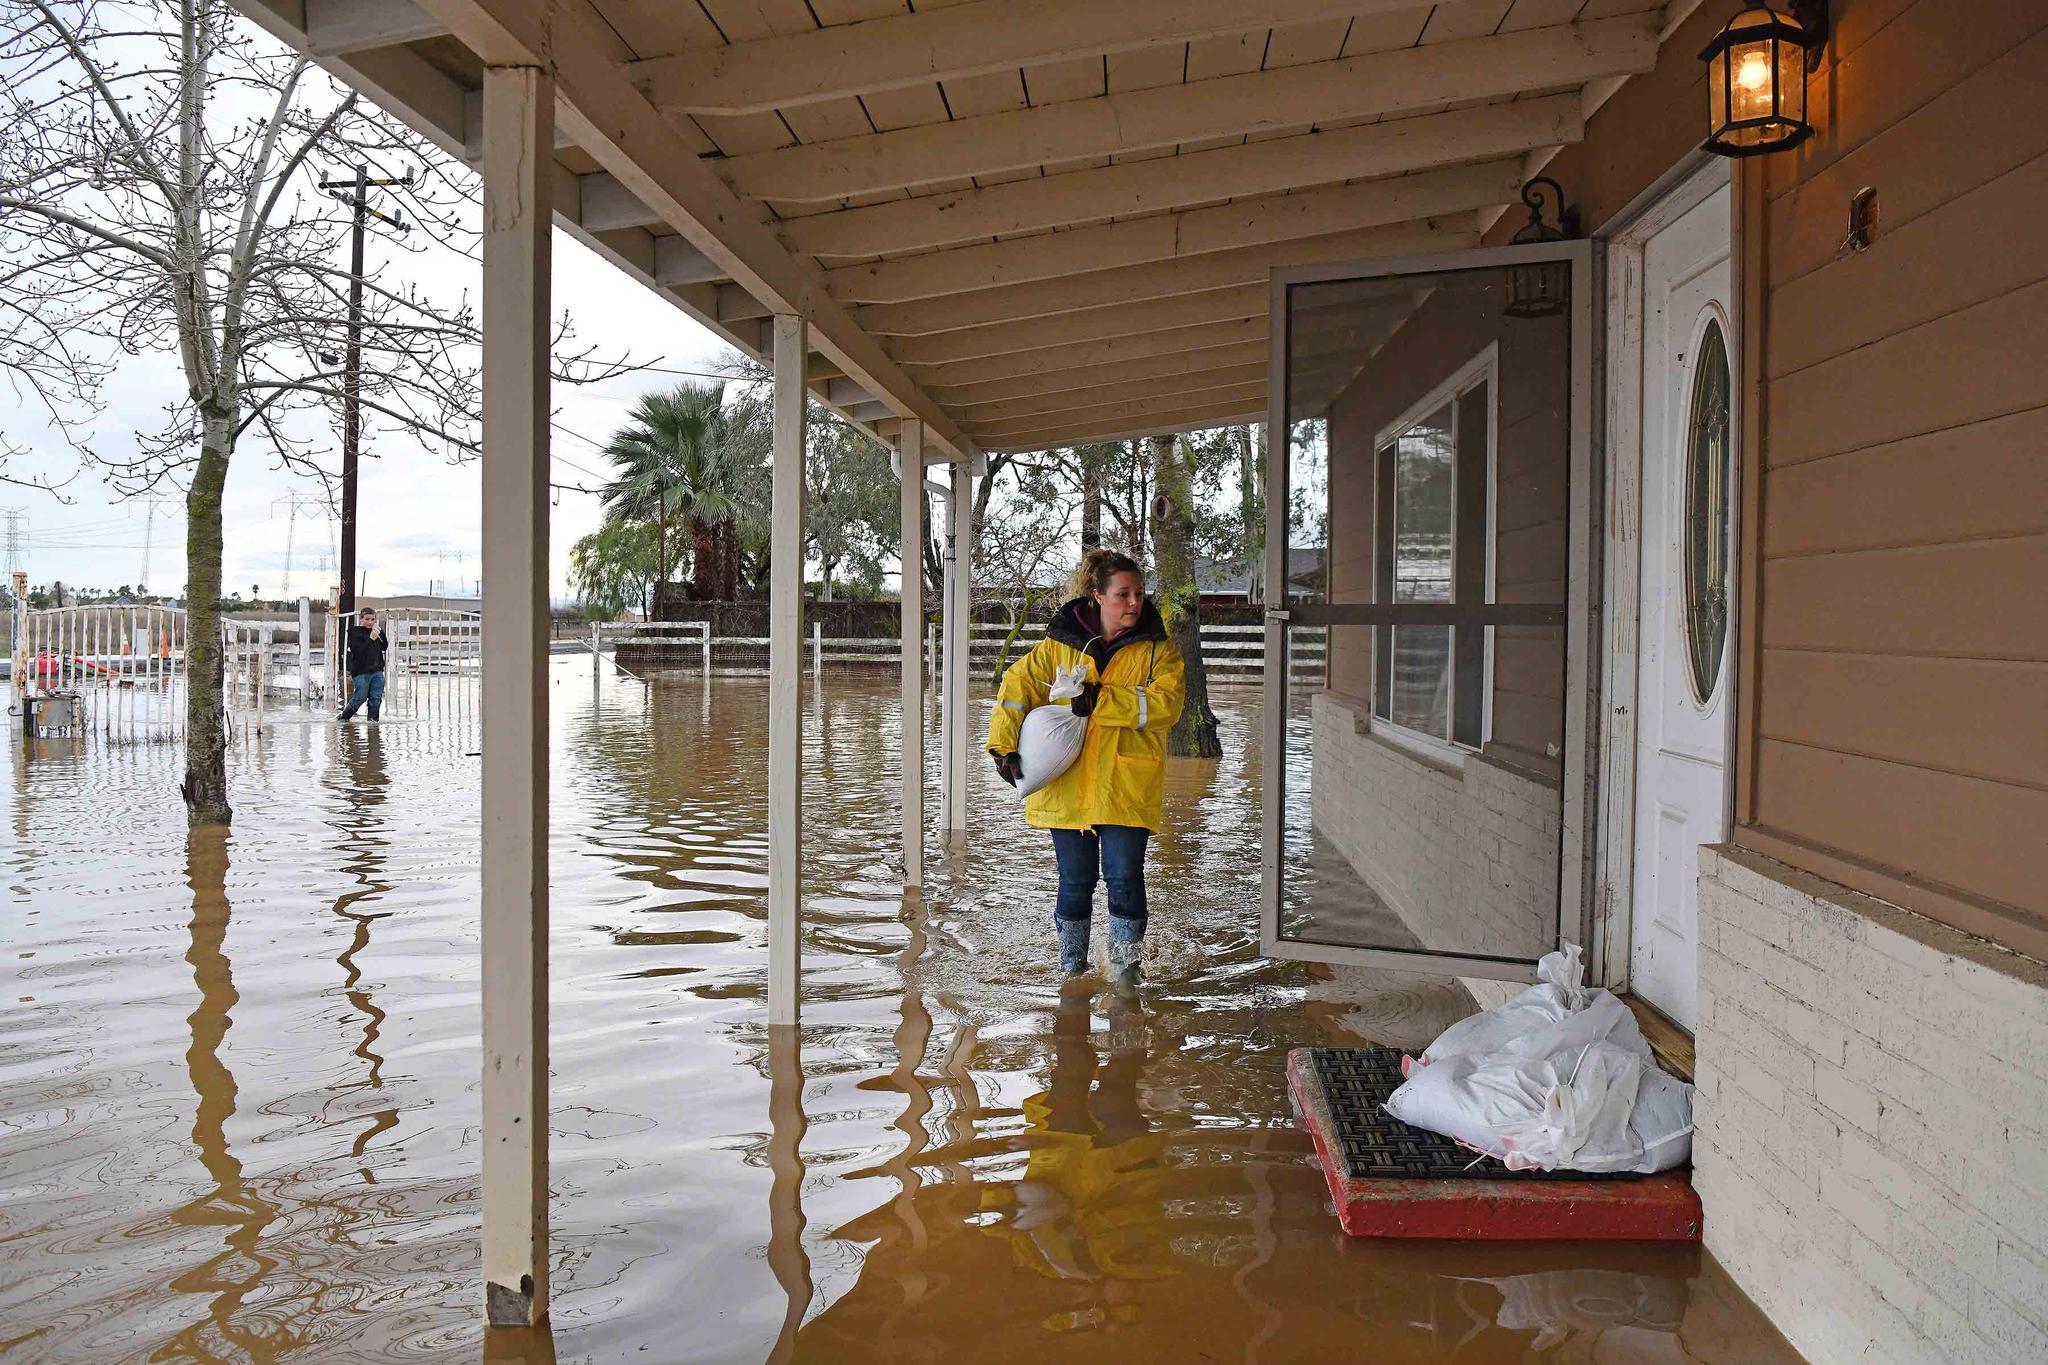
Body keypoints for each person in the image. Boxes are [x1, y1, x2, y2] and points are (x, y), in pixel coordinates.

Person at [987, 549, 1185, 992]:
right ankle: (1072, 973)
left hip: (1125, 785)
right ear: (1097, 596)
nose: (1134, 602)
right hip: (1068, 788)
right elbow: (1016, 688)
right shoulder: (1058, 647)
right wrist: (1002, 746)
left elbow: (1167, 705)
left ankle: (1124, 978)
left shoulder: (1159, 651)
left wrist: (1101, 701)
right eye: (1123, 594)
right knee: (1075, 883)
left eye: (1139, 593)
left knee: (1124, 879)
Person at [337, 606, 388, 722]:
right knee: (360, 697)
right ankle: (343, 718)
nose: (370, 622)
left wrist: (381, 633)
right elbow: (358, 651)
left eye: (373, 619)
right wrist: (370, 639)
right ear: (361, 619)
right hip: (361, 671)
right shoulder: (355, 632)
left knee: (376, 698)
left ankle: (373, 724)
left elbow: (384, 646)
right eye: (367, 619)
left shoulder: (376, 632)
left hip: (377, 671)